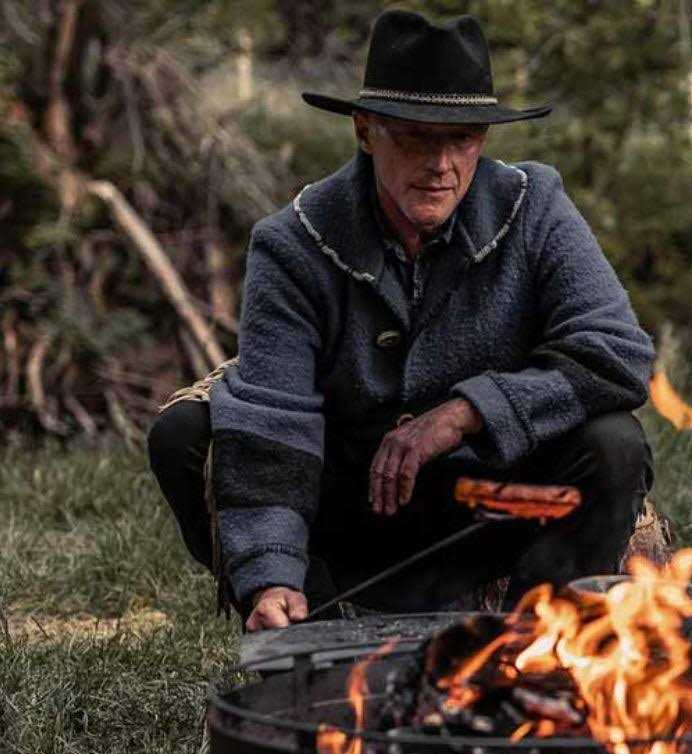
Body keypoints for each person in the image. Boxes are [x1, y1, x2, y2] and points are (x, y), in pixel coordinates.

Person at [147, 8, 655, 632]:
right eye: (416, 136)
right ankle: (313, 633)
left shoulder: (535, 209)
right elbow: (273, 416)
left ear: (484, 140)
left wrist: (464, 413)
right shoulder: (293, 242)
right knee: (185, 434)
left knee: (613, 441)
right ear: (366, 131)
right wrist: (273, 569)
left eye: (462, 138)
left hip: (490, 502)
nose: (441, 164)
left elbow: (617, 355)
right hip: (349, 504)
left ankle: (531, 648)